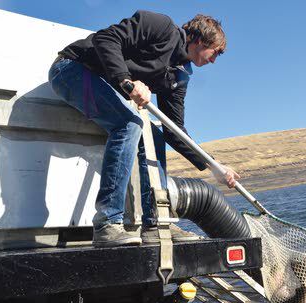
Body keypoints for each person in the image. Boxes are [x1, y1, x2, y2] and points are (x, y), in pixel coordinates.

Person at [48, 10, 240, 247]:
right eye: (216, 52)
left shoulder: (179, 76)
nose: (214, 60)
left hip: (100, 82)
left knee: (156, 137)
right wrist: (126, 80)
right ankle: (108, 223)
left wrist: (213, 165)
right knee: (129, 124)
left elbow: (175, 130)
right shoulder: (160, 26)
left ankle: (156, 225)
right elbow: (105, 39)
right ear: (201, 40)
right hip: (72, 70)